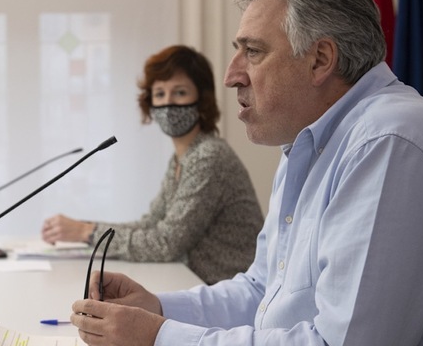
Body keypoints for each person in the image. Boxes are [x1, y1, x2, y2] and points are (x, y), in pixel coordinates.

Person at [70, 0, 423, 346]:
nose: (231, 75)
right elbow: (263, 292)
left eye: (253, 52)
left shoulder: (388, 140)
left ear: (320, 59)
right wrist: (160, 310)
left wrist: (162, 343)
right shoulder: (308, 141)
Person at [41, 45, 263, 284]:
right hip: (198, 286)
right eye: (159, 94)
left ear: (202, 99)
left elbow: (166, 243)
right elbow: (150, 224)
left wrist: (86, 233)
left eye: (179, 93)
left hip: (230, 297)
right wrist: (85, 227)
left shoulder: (208, 156)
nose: (168, 104)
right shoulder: (183, 157)